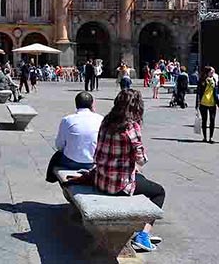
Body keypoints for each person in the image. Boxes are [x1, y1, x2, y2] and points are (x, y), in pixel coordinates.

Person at [94, 89, 165, 252]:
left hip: (101, 180)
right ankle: (143, 234)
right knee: (159, 192)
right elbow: (141, 158)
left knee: (142, 180)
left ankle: (140, 226)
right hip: (119, 186)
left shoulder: (106, 121)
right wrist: (136, 163)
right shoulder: (131, 127)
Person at [54, 92, 103, 171]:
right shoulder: (100, 119)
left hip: (71, 161)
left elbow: (59, 145)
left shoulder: (67, 120)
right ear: (92, 105)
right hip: (93, 162)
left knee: (57, 156)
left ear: (76, 104)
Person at [196, 66, 219, 143]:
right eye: (212, 71)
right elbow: (198, 93)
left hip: (212, 103)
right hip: (203, 102)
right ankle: (205, 137)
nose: (213, 73)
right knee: (204, 120)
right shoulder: (202, 80)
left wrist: (218, 103)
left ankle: (211, 137)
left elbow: (215, 93)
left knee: (212, 120)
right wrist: (197, 104)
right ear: (207, 72)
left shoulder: (214, 80)